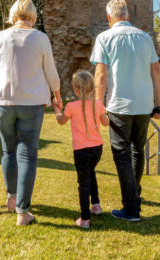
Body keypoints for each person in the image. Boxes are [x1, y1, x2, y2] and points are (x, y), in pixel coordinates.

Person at [0, 0, 62, 226]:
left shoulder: (0, 37)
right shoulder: (39, 38)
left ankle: (11, 198)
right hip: (31, 101)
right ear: (32, 16)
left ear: (13, 15)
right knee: (27, 153)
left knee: (8, 151)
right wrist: (57, 96)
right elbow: (51, 72)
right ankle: (22, 211)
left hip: (2, 100)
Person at [90, 0, 160, 222]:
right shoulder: (144, 38)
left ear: (109, 18)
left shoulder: (104, 38)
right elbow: (157, 72)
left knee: (122, 155)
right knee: (137, 150)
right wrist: (159, 103)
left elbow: (101, 76)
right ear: (128, 16)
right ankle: (134, 194)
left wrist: (98, 104)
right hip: (143, 105)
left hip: (119, 105)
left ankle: (131, 209)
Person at [53, 70, 109, 229]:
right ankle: (96, 205)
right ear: (92, 88)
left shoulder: (71, 106)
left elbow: (61, 121)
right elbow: (106, 123)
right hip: (97, 148)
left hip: (81, 151)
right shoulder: (98, 104)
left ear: (76, 90)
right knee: (91, 173)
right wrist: (104, 112)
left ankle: (85, 219)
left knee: (83, 182)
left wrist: (57, 110)